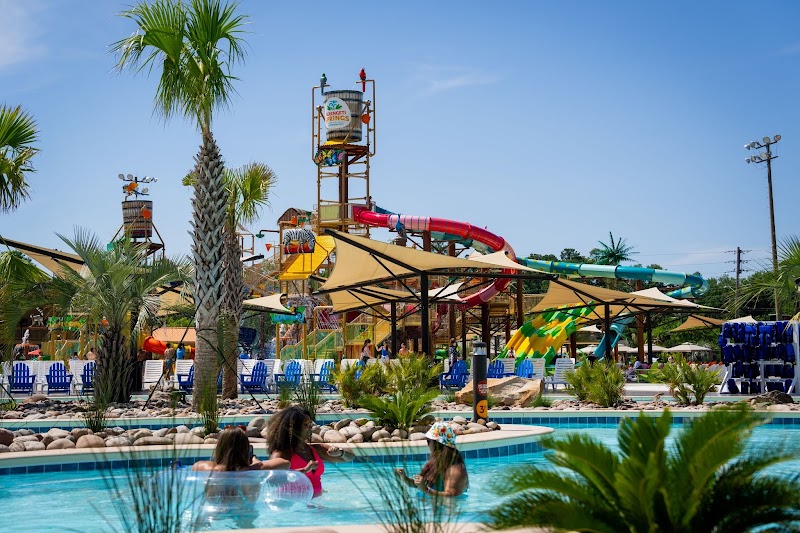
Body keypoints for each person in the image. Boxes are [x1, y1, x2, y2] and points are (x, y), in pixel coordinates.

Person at [265, 406, 354, 497]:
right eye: (306, 424)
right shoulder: (282, 453)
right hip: (292, 505)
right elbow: (272, 481)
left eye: (310, 424)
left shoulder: (316, 449)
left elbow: (350, 457)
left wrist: (341, 453)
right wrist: (304, 470)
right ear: (294, 428)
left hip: (315, 506)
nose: (310, 427)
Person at [394, 421, 468, 498]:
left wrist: (426, 490)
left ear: (438, 445)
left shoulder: (456, 469)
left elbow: (451, 496)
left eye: (429, 441)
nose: (428, 444)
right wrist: (404, 478)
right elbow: (419, 484)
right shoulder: (431, 464)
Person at [193, 427, 289, 472]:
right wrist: (255, 460)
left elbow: (195, 466)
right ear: (246, 450)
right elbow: (285, 463)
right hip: (246, 512)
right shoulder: (253, 471)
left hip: (216, 512)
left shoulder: (209, 470)